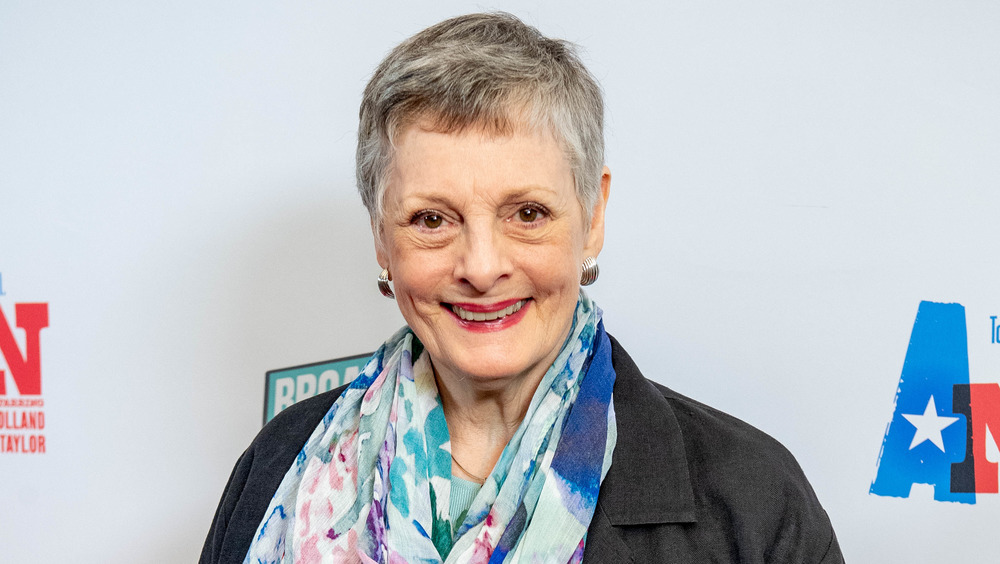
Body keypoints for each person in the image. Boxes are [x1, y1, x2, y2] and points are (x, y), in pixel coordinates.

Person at [201, 12, 844, 563]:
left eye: (527, 213)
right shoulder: (280, 460)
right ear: (380, 238)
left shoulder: (750, 497)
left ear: (591, 219)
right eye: (431, 219)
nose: (481, 267)